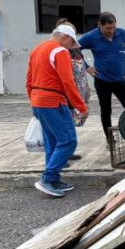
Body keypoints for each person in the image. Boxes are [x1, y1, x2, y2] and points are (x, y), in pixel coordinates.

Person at [26, 24, 89, 197]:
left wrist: (35, 102)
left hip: (39, 101)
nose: (71, 47)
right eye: (72, 43)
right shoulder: (60, 51)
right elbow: (68, 82)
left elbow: (29, 81)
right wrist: (81, 107)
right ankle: (48, 178)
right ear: (66, 37)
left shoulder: (36, 50)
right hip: (54, 101)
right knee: (68, 141)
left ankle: (53, 180)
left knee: (52, 142)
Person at [78, 12, 125, 141]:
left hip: (121, 80)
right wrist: (87, 67)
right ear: (100, 25)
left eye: (113, 27)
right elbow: (74, 49)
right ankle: (110, 139)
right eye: (108, 28)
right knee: (106, 111)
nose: (112, 31)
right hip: (103, 81)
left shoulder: (123, 34)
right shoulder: (91, 37)